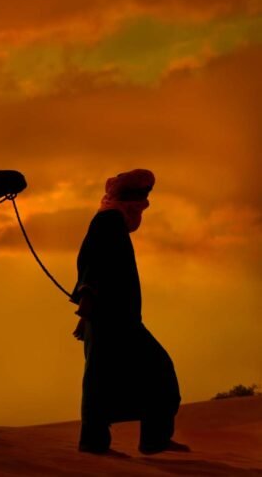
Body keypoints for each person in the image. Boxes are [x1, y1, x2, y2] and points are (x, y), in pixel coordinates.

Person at [71, 169, 187, 455]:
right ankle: (124, 441)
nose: (144, 202)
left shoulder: (112, 222)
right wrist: (87, 300)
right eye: (140, 196)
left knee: (104, 377)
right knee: (157, 372)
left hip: (115, 317)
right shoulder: (108, 222)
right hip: (113, 318)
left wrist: (86, 316)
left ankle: (144, 439)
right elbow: (92, 262)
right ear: (128, 198)